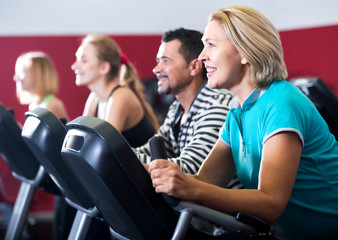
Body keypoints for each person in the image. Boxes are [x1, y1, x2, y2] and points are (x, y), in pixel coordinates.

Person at [148, 6, 338, 240]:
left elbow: (270, 203)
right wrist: (146, 172)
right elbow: (205, 181)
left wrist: (191, 187)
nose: (201, 56)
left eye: (211, 45)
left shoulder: (281, 102)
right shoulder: (237, 112)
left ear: (245, 52)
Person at [134, 28, 238, 182]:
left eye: (166, 61)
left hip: (218, 205)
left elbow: (190, 170)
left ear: (195, 67)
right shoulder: (177, 110)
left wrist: (121, 158)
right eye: (158, 61)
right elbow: (152, 153)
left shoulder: (217, 105)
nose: (156, 69)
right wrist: (115, 153)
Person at [71, 34, 159, 147]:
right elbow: (83, 137)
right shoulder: (95, 97)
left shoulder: (120, 96)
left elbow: (104, 147)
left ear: (104, 68)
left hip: (145, 163)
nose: (74, 66)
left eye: (83, 60)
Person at [13, 51, 69, 120]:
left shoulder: (52, 105)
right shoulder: (33, 106)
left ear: (38, 74)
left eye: (22, 72)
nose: (16, 77)